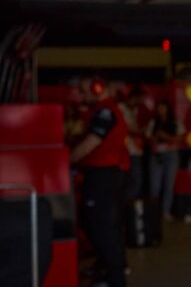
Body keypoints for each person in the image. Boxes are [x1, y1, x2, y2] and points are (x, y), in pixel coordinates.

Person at [70, 78, 130, 287]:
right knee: (104, 226)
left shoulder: (106, 112)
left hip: (103, 176)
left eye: (83, 89)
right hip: (104, 175)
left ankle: (114, 279)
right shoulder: (102, 110)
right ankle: (109, 272)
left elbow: (89, 144)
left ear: (97, 88)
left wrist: (65, 160)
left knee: (102, 228)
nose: (81, 94)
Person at [146, 99, 184, 221]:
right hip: (157, 155)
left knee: (169, 185)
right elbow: (148, 138)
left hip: (171, 155)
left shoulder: (175, 122)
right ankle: (154, 212)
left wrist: (166, 137)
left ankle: (166, 212)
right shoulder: (153, 123)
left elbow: (180, 138)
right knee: (155, 187)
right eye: (159, 108)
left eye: (163, 107)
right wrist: (155, 138)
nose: (161, 110)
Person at [118, 87, 148, 202]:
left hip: (136, 150)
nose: (141, 102)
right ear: (134, 97)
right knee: (134, 180)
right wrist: (140, 131)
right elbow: (124, 128)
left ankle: (129, 209)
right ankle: (125, 207)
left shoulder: (135, 110)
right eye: (140, 99)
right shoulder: (121, 108)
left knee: (135, 180)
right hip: (125, 151)